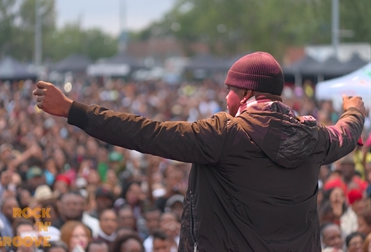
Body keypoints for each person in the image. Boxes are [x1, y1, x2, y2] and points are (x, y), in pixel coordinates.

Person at [33, 51, 366, 251]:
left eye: (230, 90)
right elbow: (347, 133)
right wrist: (354, 109)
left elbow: (146, 133)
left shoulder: (224, 134)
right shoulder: (315, 138)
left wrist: (73, 111)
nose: (225, 99)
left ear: (247, 91)